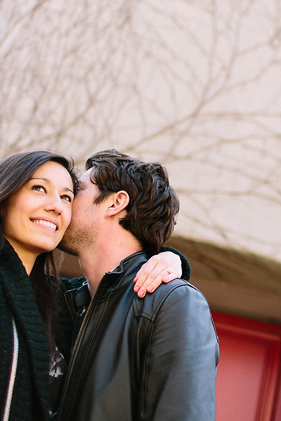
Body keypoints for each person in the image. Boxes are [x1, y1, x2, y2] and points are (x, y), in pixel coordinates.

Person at [0, 151, 184, 421]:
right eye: (39, 188)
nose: (56, 206)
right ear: (4, 199)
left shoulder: (61, 301)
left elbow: (111, 285)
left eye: (68, 197)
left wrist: (170, 259)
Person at [54, 149, 219, 421]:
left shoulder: (173, 302)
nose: (65, 201)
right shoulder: (64, 303)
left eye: (78, 190)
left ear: (115, 203)